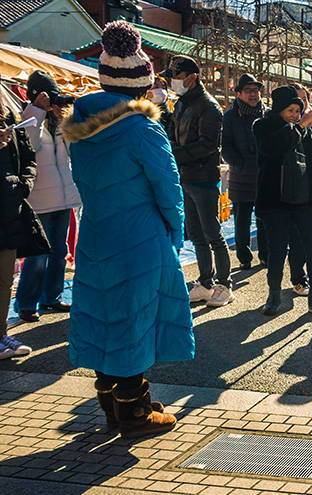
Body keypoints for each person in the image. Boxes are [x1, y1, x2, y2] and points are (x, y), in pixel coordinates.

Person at [61, 20, 194, 437]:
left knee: (107, 310)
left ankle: (110, 396)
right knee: (137, 316)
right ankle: (134, 409)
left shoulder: (80, 127)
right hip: (140, 234)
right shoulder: (143, 128)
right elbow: (168, 187)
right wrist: (175, 231)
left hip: (98, 228)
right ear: (142, 85)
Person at [252, 87, 312, 317]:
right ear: (279, 109)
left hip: (305, 198)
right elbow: (274, 148)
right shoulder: (263, 126)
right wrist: (300, 126)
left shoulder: (306, 131)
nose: (294, 114)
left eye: (298, 110)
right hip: (276, 199)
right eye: (290, 110)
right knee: (278, 248)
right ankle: (273, 294)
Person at [163, 55, 233, 307]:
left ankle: (225, 284)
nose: (173, 82)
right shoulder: (181, 104)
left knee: (212, 231)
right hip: (186, 176)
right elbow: (172, 132)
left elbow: (207, 144)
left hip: (203, 177)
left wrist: (175, 153)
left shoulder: (209, 106)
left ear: (192, 78)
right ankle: (205, 282)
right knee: (195, 233)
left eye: (177, 77)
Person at [13, 70, 81, 323]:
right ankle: (27, 303)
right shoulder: (27, 119)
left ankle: (51, 297)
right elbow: (27, 147)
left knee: (59, 251)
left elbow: (74, 152)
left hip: (64, 197)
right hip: (39, 201)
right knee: (37, 254)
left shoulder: (61, 122)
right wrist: (36, 111)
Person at [0, 103, 41, 359]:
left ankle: (1, 333)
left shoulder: (9, 114)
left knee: (5, 280)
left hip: (8, 210)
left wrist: (23, 185)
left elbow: (28, 157)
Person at [222, 73, 267, 271]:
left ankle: (265, 254)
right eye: (248, 90)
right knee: (241, 219)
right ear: (238, 93)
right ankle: (244, 256)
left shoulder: (267, 113)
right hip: (241, 176)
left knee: (265, 217)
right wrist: (239, 164)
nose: (253, 94)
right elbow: (226, 147)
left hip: (265, 174)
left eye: (256, 90)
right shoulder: (230, 116)